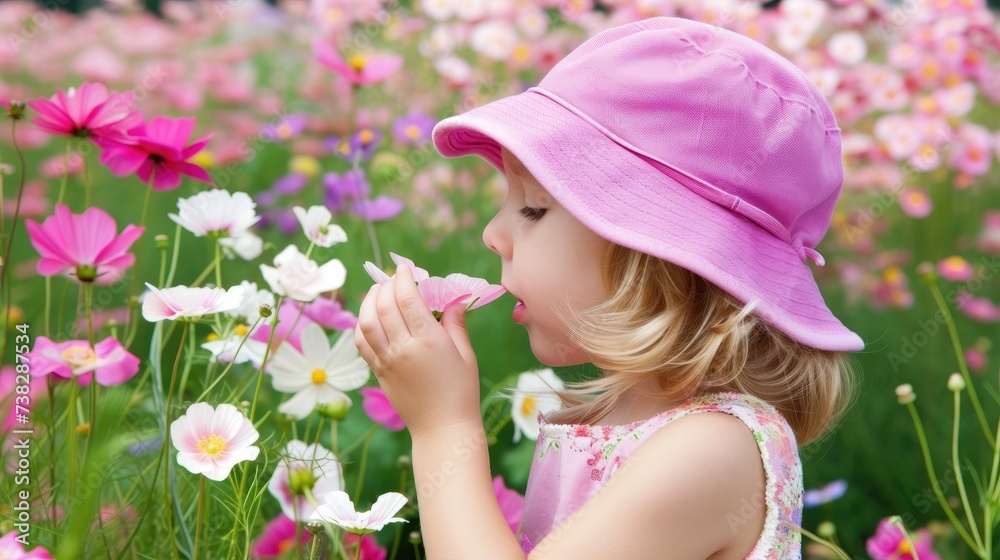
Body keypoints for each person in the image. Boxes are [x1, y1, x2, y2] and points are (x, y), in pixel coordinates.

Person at [354, 16, 865, 560]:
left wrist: (442, 427)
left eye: (533, 208)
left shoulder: (711, 450)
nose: (492, 233)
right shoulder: (624, 416)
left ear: (656, 257)